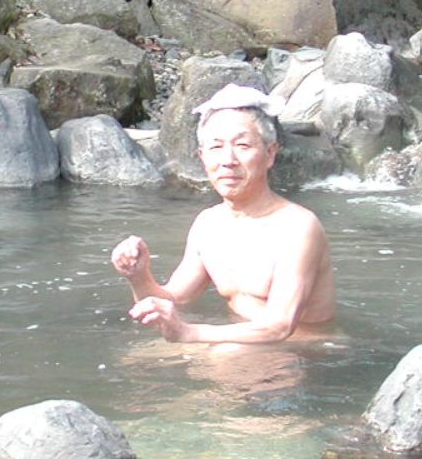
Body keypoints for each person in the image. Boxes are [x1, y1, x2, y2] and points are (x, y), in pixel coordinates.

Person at [111, 83, 335, 344]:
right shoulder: (209, 224)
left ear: (270, 153)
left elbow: (280, 326)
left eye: (242, 145)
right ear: (202, 156)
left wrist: (188, 332)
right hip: (243, 340)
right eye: (216, 147)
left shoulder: (297, 227)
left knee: (221, 356)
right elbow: (175, 299)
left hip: (304, 347)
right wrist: (138, 276)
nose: (228, 160)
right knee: (133, 360)